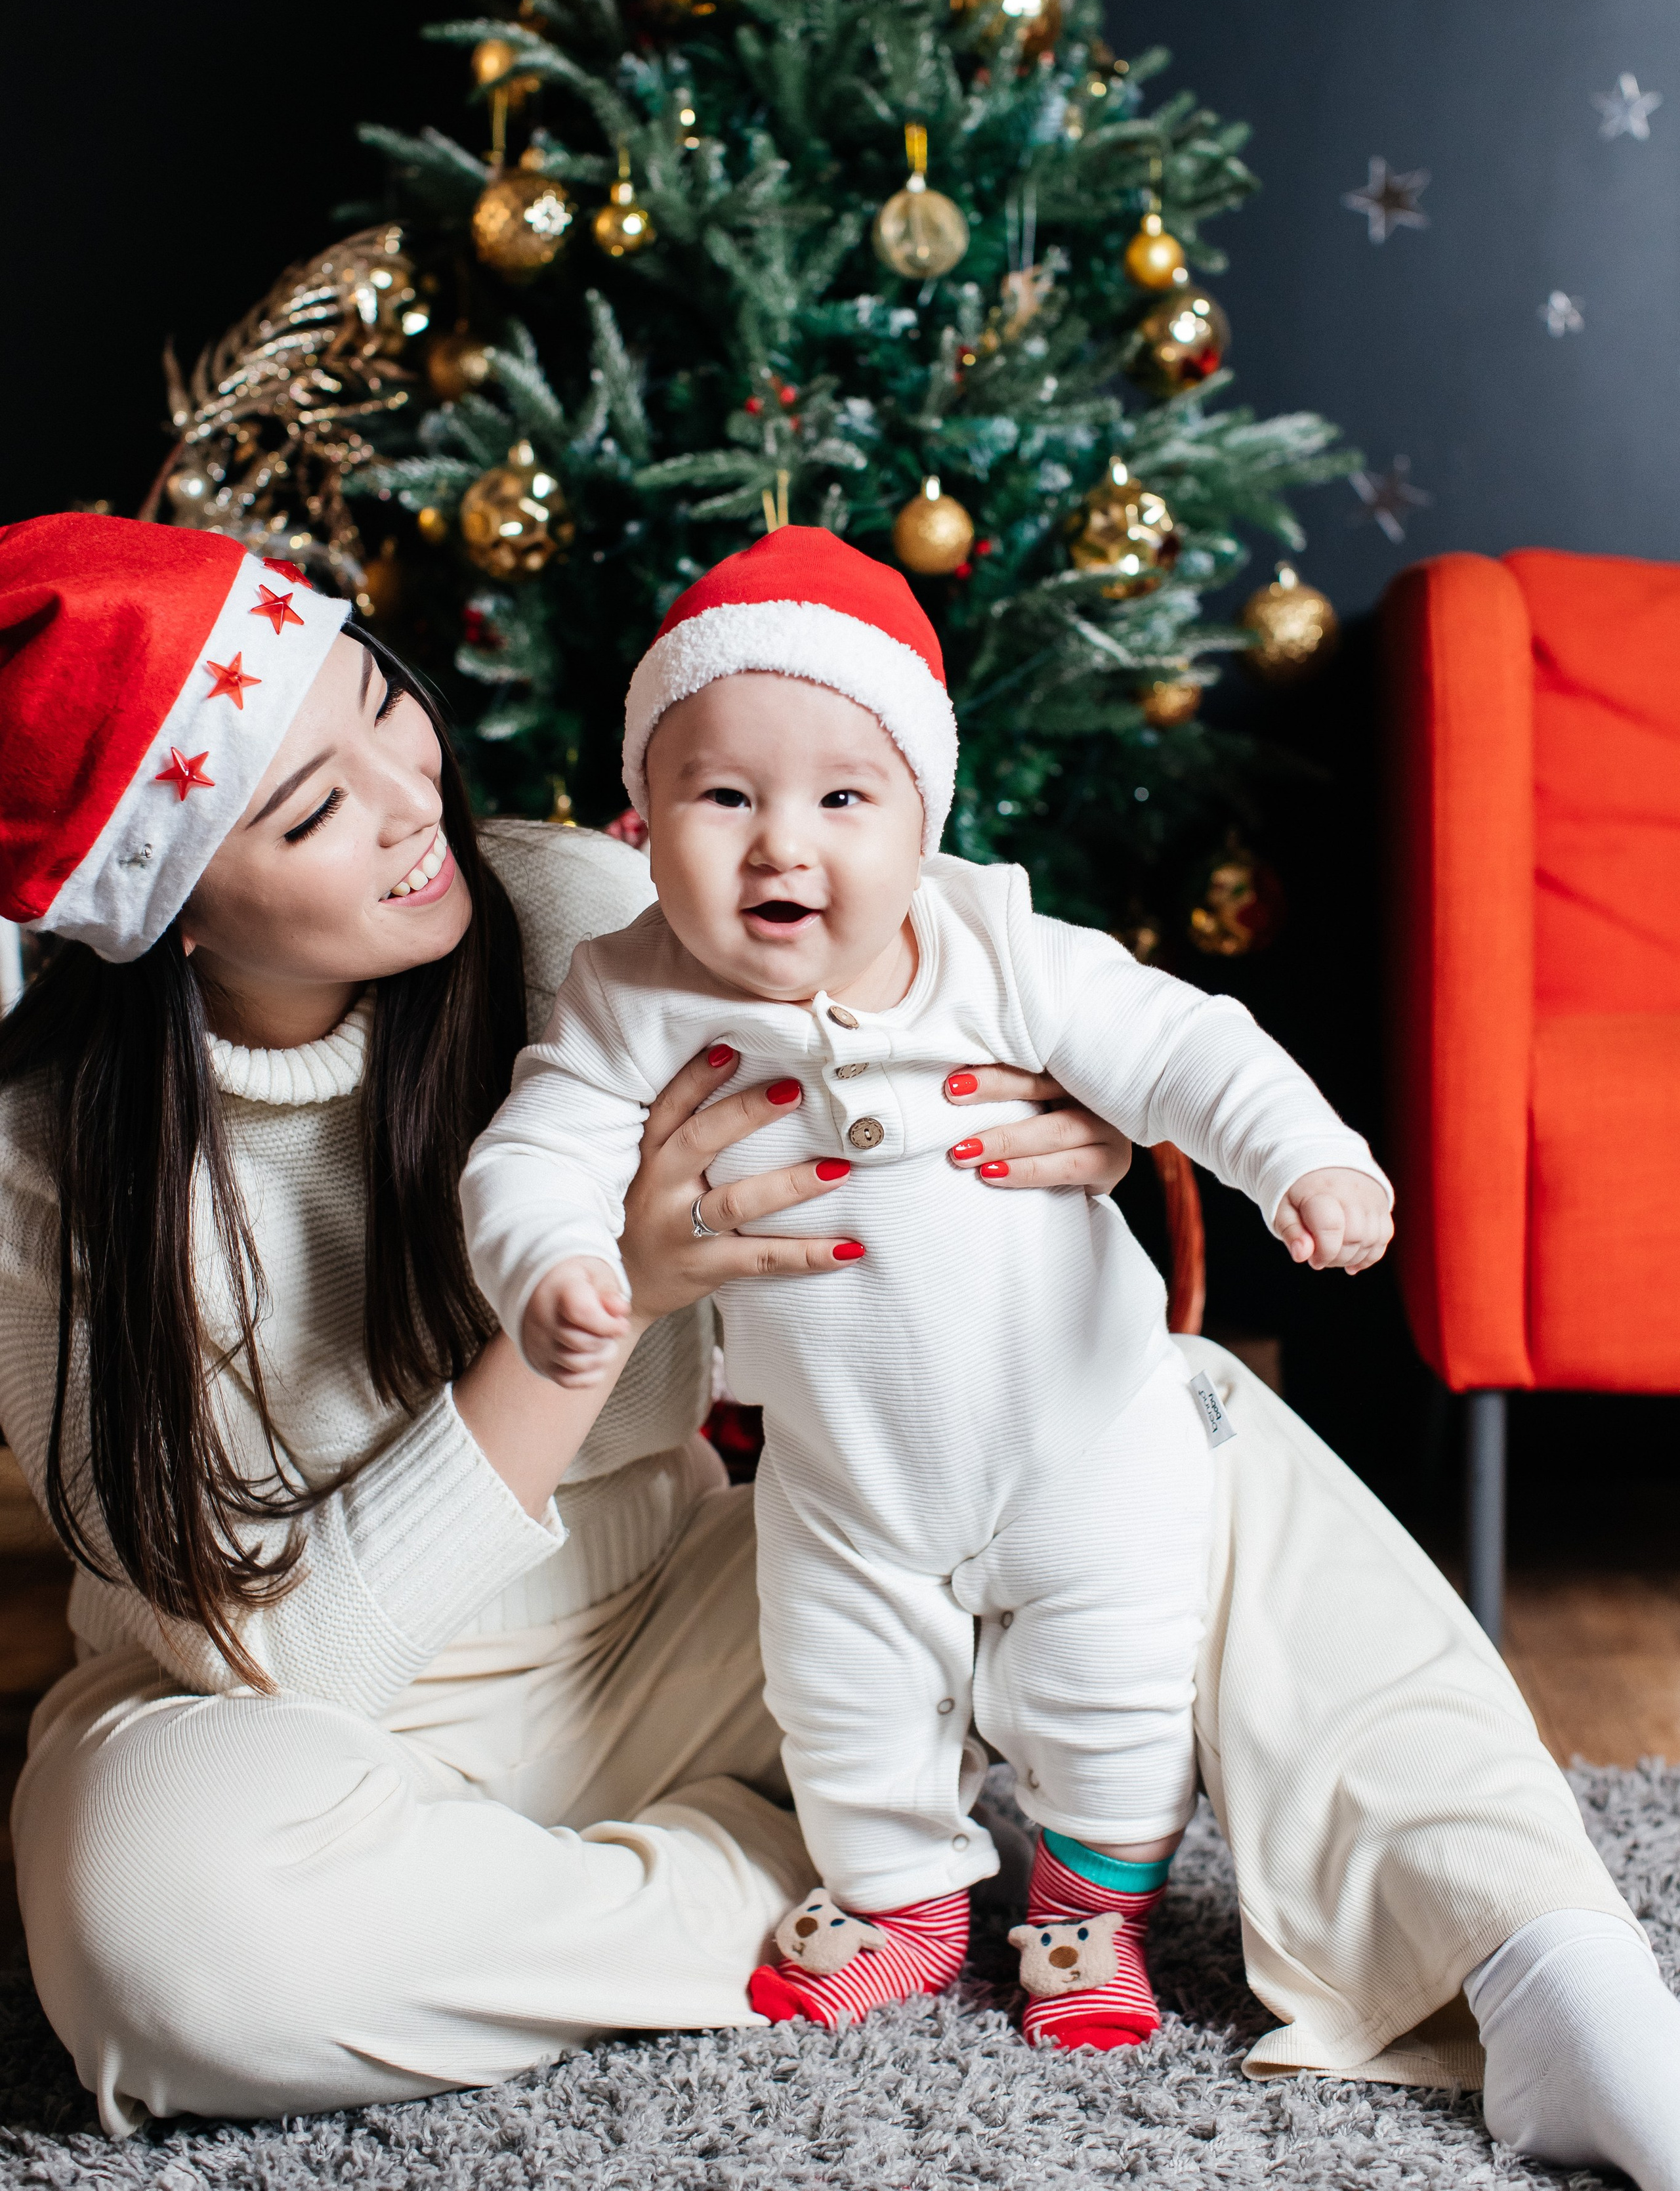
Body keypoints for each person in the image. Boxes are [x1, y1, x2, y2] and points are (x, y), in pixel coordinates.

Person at [0, 517, 1675, 2187]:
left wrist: (1064, 1122)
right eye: (311, 807)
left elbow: (932, 972)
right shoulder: (50, 1159)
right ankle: (812, 1891)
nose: (406, 797)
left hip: (694, 1622)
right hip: (306, 1724)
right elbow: (280, 1658)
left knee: (1167, 1422)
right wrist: (592, 1324)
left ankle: (1528, 1949)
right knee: (157, 1941)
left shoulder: (576, 902)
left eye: (381, 703)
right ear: (165, 910)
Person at [459, 525, 1394, 2051]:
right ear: (641, 818)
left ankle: (1091, 1913)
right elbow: (535, 1148)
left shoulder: (995, 942)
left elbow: (1183, 1046)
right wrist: (555, 1261)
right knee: (841, 1700)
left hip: (1078, 1436)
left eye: (841, 798)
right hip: (842, 1477)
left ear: (919, 817)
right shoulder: (628, 986)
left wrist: (1303, 1159)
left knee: (1113, 1687)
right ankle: (902, 1900)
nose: (782, 844)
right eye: (722, 796)